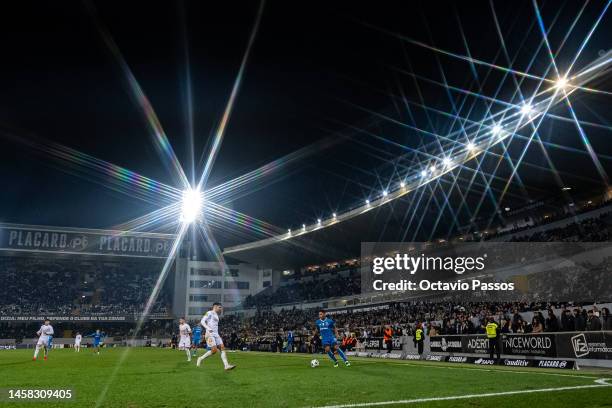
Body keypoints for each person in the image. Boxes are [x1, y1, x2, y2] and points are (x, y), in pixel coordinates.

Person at [196, 303, 236, 371]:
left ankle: (226, 366)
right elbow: (202, 321)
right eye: (219, 307)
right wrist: (208, 328)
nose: (221, 309)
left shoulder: (216, 315)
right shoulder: (209, 312)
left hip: (216, 334)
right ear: (215, 306)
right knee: (214, 350)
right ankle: (200, 358)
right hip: (210, 333)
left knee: (222, 348)